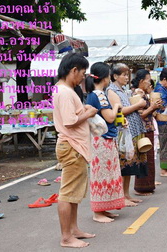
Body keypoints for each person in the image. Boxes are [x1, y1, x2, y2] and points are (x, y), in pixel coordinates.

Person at [53, 53, 97, 248]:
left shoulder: (66, 90)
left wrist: (83, 110)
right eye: (82, 73)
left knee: (74, 193)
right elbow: (70, 122)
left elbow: (71, 116)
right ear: (73, 70)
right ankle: (66, 237)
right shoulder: (64, 92)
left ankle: (74, 230)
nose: (83, 78)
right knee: (68, 193)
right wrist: (88, 113)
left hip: (75, 146)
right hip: (72, 146)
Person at [85, 62, 125, 223]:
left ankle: (103, 208)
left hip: (99, 139)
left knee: (104, 174)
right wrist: (116, 107)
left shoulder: (92, 94)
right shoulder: (100, 94)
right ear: (105, 77)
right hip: (103, 139)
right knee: (102, 174)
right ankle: (98, 212)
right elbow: (109, 117)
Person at [107, 63, 147, 207]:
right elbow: (120, 111)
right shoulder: (111, 91)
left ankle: (126, 194)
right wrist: (138, 106)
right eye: (123, 75)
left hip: (132, 131)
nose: (126, 77)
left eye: (127, 75)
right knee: (123, 165)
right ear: (115, 76)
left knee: (130, 164)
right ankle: (121, 196)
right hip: (123, 132)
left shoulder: (122, 90)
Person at [131, 69, 162, 195]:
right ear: (142, 81)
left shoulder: (145, 93)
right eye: (148, 80)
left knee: (149, 160)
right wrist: (152, 107)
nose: (150, 83)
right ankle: (141, 187)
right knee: (143, 159)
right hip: (142, 129)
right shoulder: (137, 95)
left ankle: (149, 185)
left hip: (148, 128)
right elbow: (140, 115)